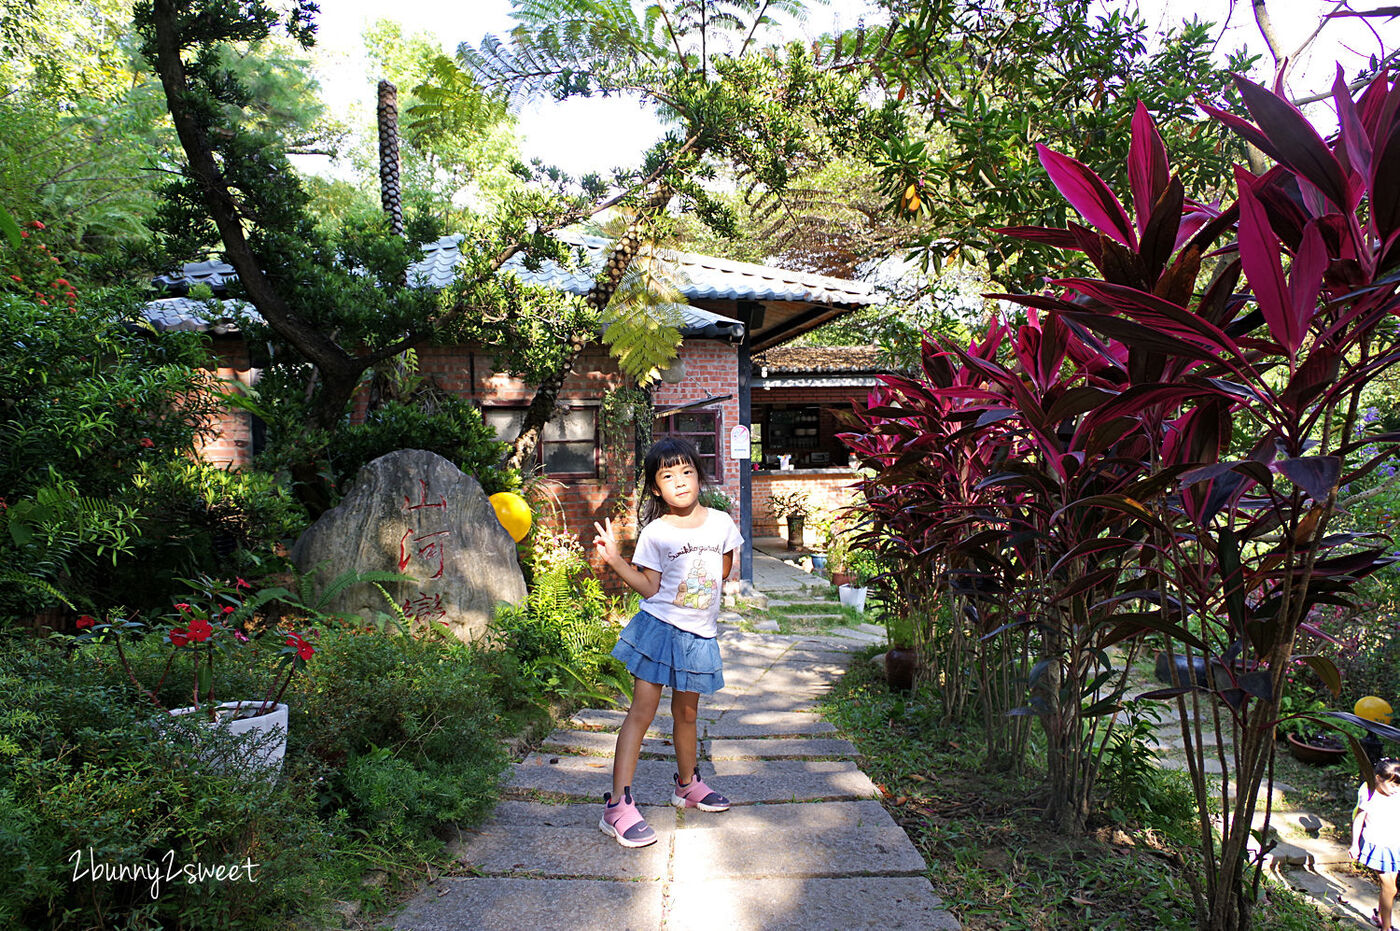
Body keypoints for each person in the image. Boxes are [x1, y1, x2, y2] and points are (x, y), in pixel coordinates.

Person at [592, 437, 743, 848]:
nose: (680, 481)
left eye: (687, 471)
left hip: (699, 636)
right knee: (642, 711)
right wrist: (615, 560)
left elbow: (726, 568)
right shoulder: (655, 532)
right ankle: (618, 805)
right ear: (656, 488)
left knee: (688, 714)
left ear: (700, 476)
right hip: (659, 630)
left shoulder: (722, 523)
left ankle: (687, 785)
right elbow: (648, 586)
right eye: (668, 475)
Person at [1352, 758, 1400, 930]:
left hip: (1395, 844)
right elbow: (1359, 819)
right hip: (1377, 844)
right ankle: (1386, 928)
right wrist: (1354, 845)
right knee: (1390, 888)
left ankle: (1379, 915)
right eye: (1393, 785)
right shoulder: (1369, 792)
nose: (1396, 789)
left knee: (1391, 887)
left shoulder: (1397, 791)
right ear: (1379, 778)